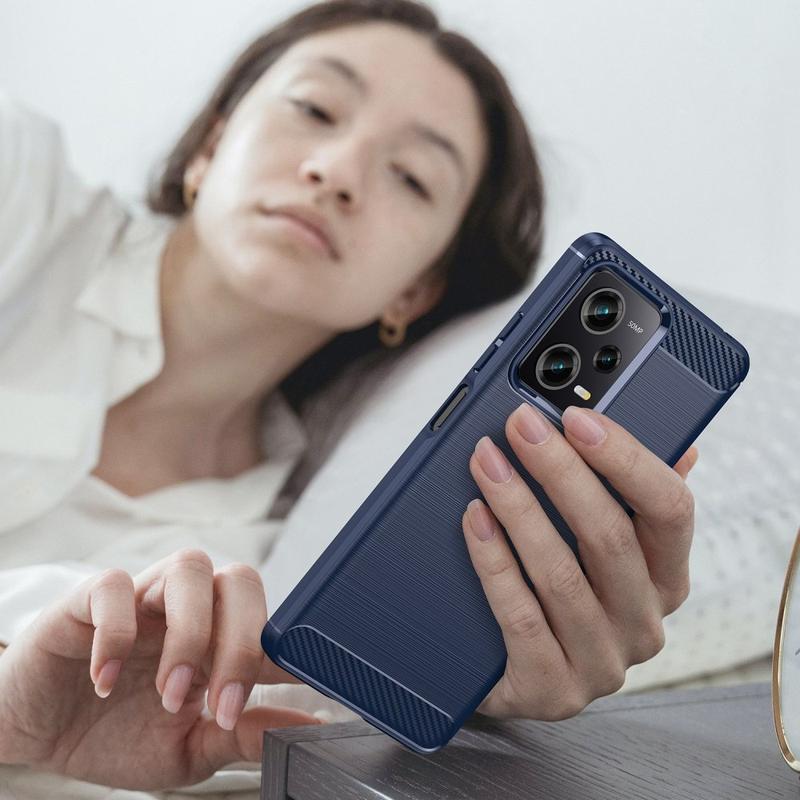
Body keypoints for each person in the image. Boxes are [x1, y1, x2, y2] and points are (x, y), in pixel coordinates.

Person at [0, 0, 698, 793]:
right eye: (313, 108)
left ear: (416, 291)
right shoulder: (18, 185)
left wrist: (467, 694)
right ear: (209, 147)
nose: (336, 173)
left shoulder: (251, 590)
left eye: (411, 178)